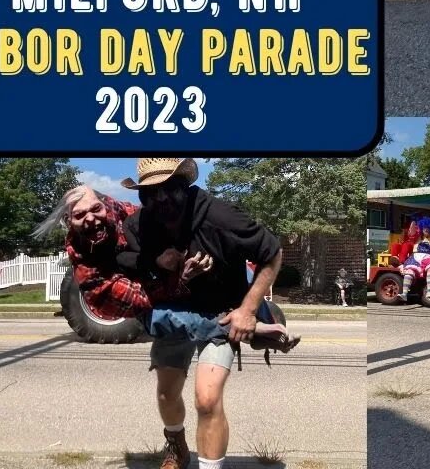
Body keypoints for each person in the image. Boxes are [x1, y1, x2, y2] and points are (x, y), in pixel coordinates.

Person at [125, 158, 284, 469]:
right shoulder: (139, 224)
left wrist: (248, 310)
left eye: (170, 190)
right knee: (166, 396)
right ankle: (178, 447)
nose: (161, 200)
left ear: (185, 187)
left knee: (207, 399)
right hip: (174, 315)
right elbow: (124, 258)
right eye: (150, 194)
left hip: (220, 318)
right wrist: (160, 262)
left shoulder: (219, 216)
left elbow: (272, 252)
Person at [58, 183, 299, 350]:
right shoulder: (90, 273)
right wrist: (176, 274)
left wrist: (178, 257)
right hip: (155, 292)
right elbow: (144, 298)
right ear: (69, 222)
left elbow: (270, 250)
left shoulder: (125, 212)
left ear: (105, 204)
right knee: (156, 317)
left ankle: (259, 312)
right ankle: (235, 328)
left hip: (198, 281)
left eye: (95, 209)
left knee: (238, 274)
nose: (91, 219)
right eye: (80, 216)